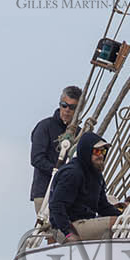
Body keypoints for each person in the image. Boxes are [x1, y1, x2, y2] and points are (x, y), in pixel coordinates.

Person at [46, 131, 122, 241]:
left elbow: (102, 206)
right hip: (67, 227)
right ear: (86, 151)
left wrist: (124, 215)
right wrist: (69, 233)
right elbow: (56, 206)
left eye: (103, 151)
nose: (101, 155)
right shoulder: (72, 173)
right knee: (118, 224)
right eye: (96, 151)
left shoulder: (96, 175)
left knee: (125, 222)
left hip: (84, 221)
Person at [29, 86, 83, 215]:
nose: (67, 110)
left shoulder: (81, 134)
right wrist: (59, 172)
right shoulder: (44, 127)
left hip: (70, 195)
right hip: (45, 192)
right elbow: (36, 159)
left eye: (72, 107)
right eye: (64, 105)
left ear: (79, 110)